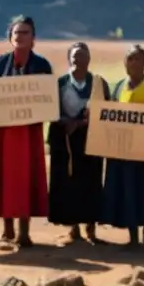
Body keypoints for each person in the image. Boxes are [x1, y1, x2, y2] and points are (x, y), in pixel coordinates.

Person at [0, 15, 53, 250]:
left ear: (34, 38)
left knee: (25, 179)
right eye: (17, 33)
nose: (20, 37)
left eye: (25, 33)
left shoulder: (41, 64)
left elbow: (48, 98)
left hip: (29, 133)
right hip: (4, 131)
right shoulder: (2, 62)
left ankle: (24, 233)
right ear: (10, 38)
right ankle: (6, 229)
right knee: (4, 178)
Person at [101, 44, 144, 249]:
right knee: (128, 191)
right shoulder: (118, 88)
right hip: (123, 152)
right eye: (130, 59)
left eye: (138, 59)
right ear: (124, 64)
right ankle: (133, 238)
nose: (134, 63)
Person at [48, 42, 110, 243]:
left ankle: (91, 228)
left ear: (89, 59)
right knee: (69, 182)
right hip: (66, 141)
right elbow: (51, 111)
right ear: (69, 58)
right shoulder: (60, 84)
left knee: (91, 182)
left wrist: (83, 123)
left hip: (91, 140)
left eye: (82, 55)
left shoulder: (99, 84)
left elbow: (107, 112)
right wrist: (68, 123)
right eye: (74, 56)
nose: (77, 59)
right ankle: (73, 227)